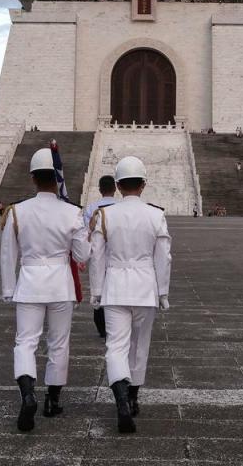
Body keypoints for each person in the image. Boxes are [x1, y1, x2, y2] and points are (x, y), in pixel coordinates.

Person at [0, 148, 90, 432]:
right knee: (58, 343)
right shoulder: (73, 212)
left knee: (25, 342)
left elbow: (7, 254)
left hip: (29, 284)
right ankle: (52, 400)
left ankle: (27, 395)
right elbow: (83, 255)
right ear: (58, 177)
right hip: (61, 284)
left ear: (33, 178)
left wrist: (8, 289)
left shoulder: (18, 212)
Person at [89, 156, 171, 434]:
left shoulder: (106, 215)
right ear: (144, 184)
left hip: (114, 288)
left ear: (119, 185)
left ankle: (121, 399)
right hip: (145, 288)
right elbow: (164, 258)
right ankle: (133, 397)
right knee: (139, 345)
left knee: (116, 346)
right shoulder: (155, 215)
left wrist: (96, 292)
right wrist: (163, 292)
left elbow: (96, 257)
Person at [83, 175, 119, 339]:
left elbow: (86, 232)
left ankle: (102, 327)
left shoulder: (92, 208)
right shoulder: (121, 207)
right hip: (118, 256)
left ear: (99, 189)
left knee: (98, 290)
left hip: (97, 254)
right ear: (115, 188)